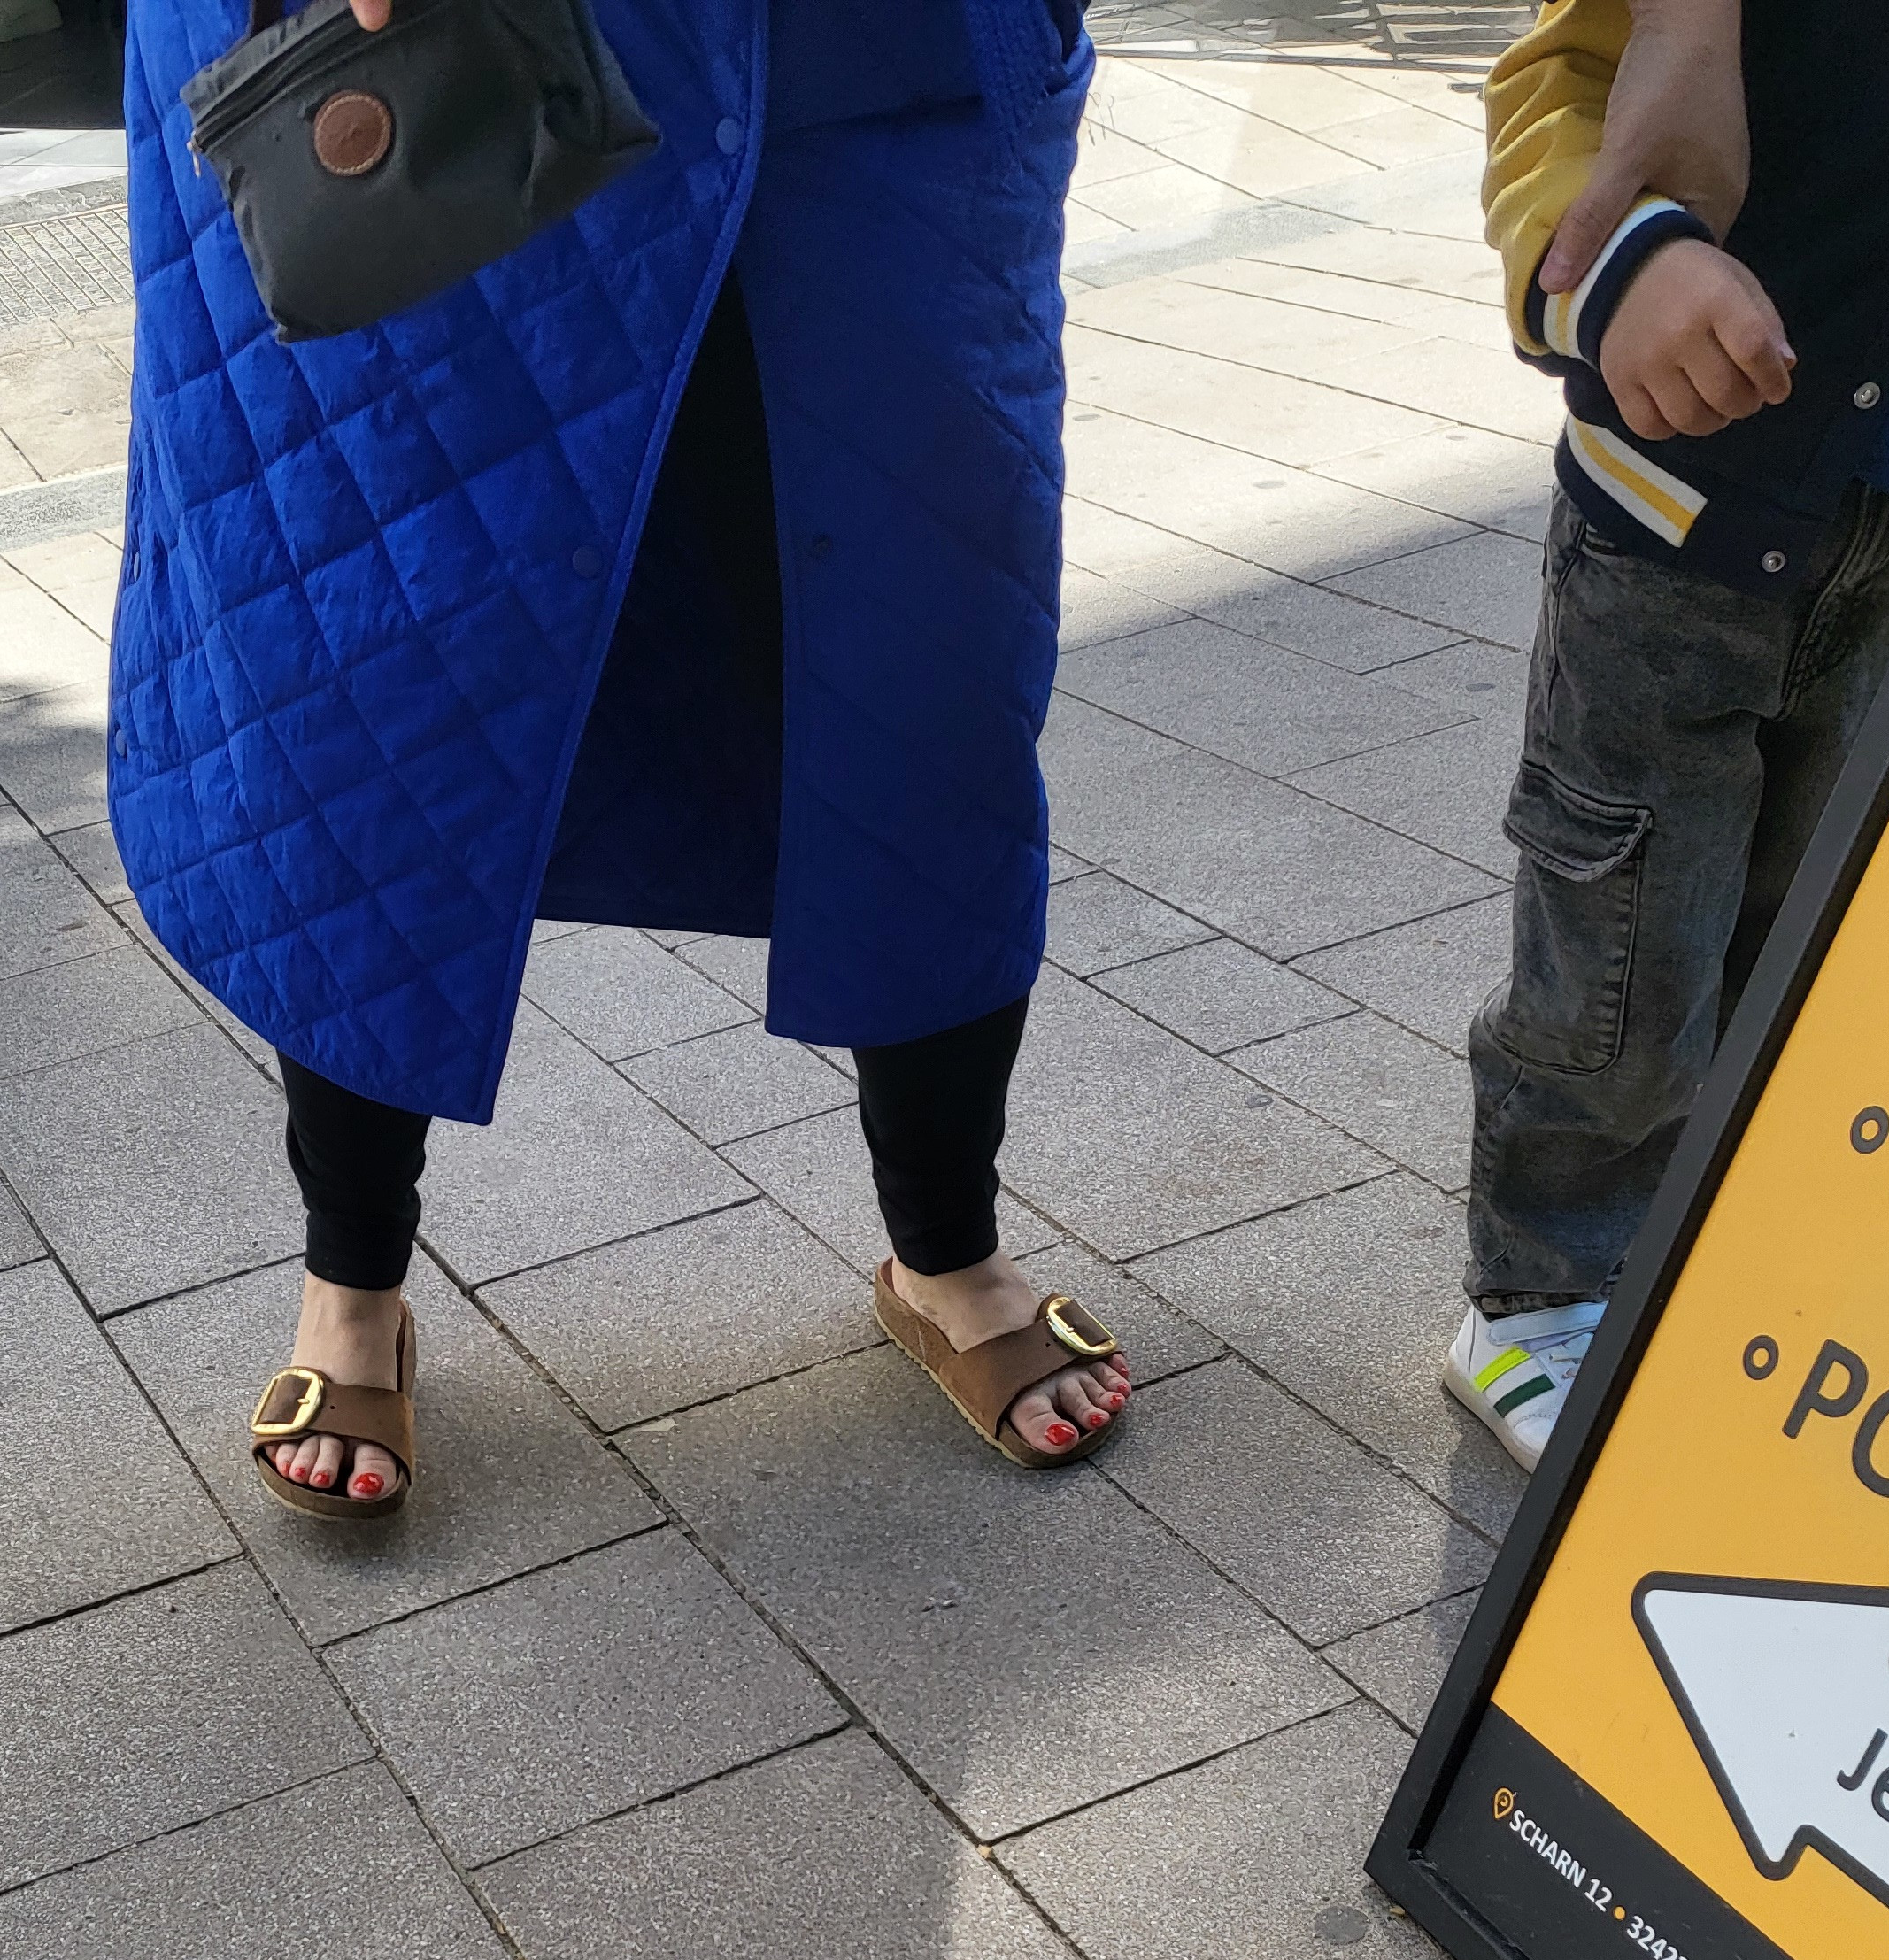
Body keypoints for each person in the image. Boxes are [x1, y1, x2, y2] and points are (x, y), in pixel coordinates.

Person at [112, 0, 1130, 1516]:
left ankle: (946, 1249)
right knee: (374, 677)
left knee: (926, 658)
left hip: (877, 54)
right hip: (429, 54)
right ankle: (351, 1287)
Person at [1447, 0, 1889, 1470]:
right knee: (1627, 946)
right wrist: (1622, 266)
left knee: (1816, 925)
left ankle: (1730, 1236)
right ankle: (1544, 1286)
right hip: (1679, 522)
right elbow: (1556, 89)